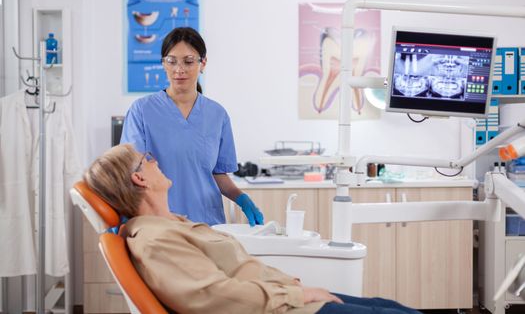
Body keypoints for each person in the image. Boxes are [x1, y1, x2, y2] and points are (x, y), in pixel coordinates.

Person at [84, 144, 422, 314]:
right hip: (283, 308)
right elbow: (215, 296)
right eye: (147, 159)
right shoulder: (155, 240)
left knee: (387, 305)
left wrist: (286, 283)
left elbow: (228, 273)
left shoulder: (171, 224)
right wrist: (296, 294)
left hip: (283, 301)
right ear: (140, 178)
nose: (155, 160)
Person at [120, 27, 263, 226]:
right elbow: (133, 171)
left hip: (207, 222)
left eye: (188, 61)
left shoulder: (217, 115)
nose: (179, 69)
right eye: (172, 61)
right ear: (163, 64)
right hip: (160, 223)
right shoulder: (142, 111)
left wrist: (241, 198)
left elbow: (217, 173)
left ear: (202, 63)